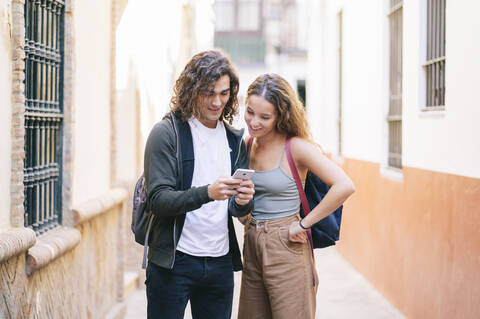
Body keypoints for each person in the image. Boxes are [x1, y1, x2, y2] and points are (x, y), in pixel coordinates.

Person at [143, 50, 255, 319]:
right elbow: (158, 200)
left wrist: (243, 201)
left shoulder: (234, 140)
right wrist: (207, 193)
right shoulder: (167, 133)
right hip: (174, 262)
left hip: (219, 263)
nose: (217, 102)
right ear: (192, 89)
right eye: (209, 92)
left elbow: (237, 212)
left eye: (224, 93)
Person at [237, 73, 355, 319]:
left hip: (287, 243)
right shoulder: (248, 144)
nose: (254, 121)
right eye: (250, 112)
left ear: (280, 115)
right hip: (252, 241)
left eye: (264, 117)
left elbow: (344, 185)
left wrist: (303, 223)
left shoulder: (296, 147)